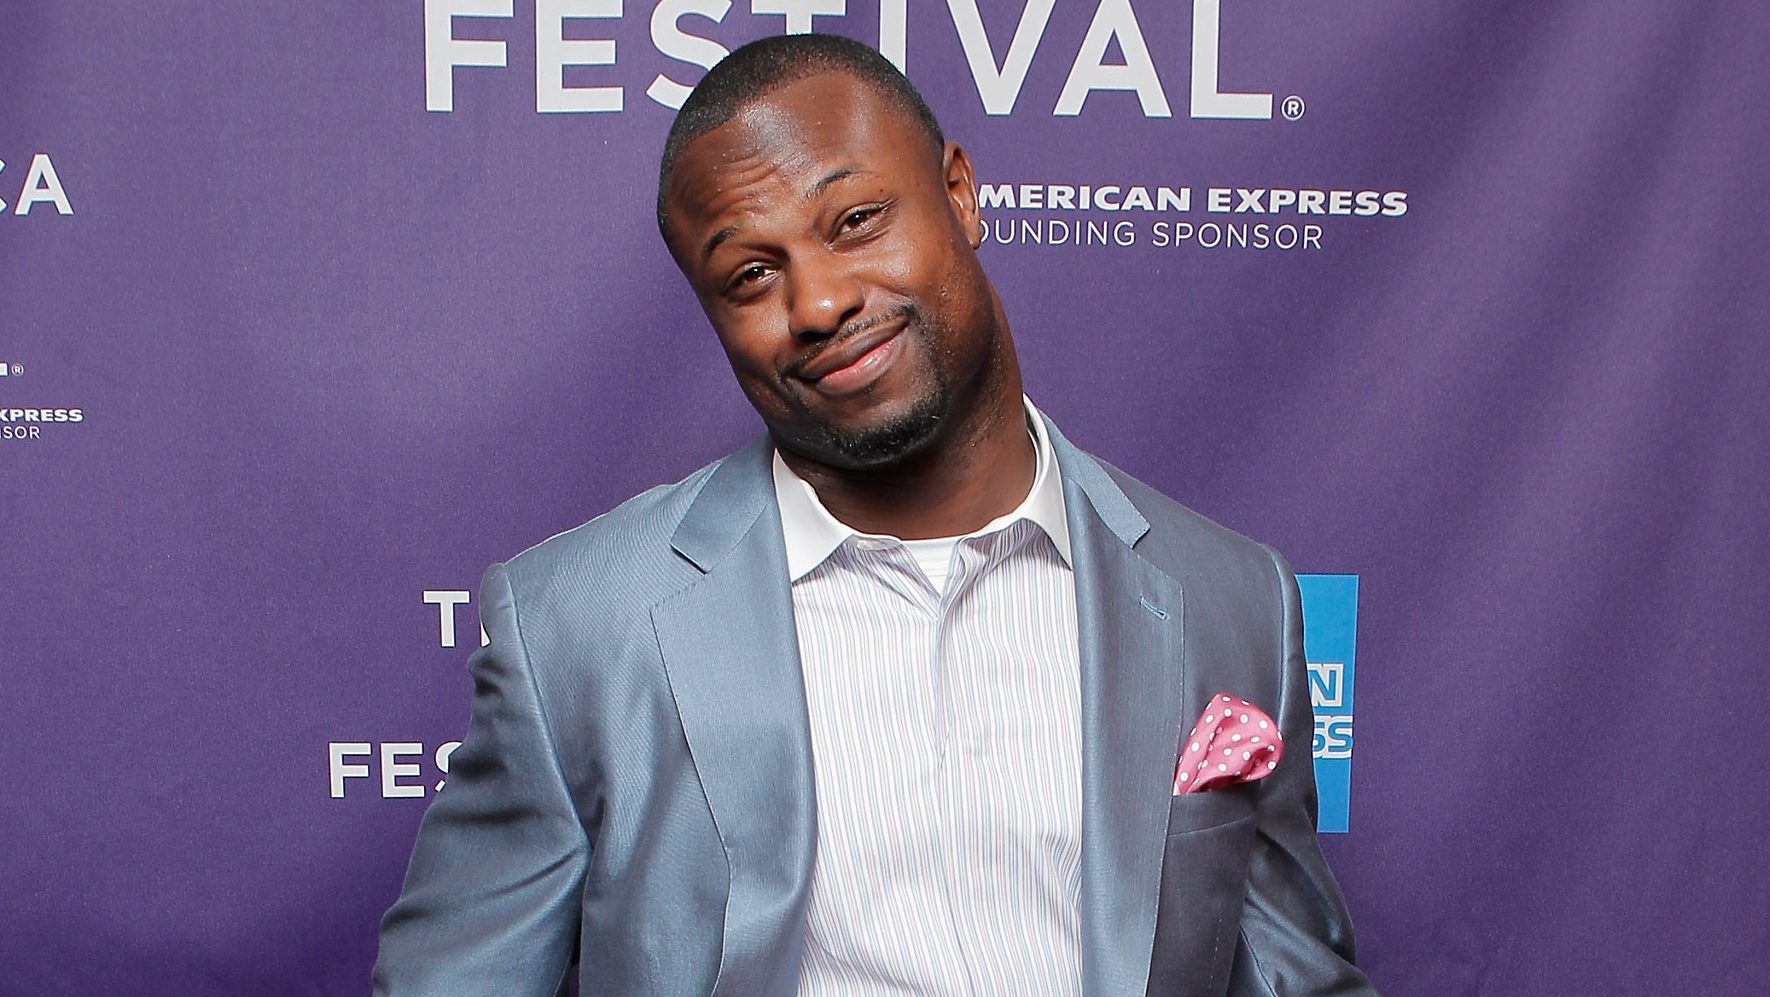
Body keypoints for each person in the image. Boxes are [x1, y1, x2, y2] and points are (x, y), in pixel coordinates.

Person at [374, 32, 1376, 997]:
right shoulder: (579, 625)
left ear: (958, 193)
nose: (817, 302)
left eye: (854, 221)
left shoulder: (1231, 599)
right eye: (750, 276)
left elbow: (1295, 975)